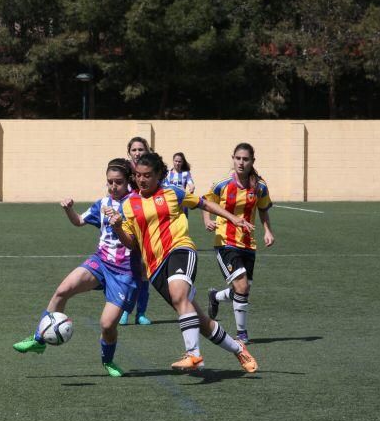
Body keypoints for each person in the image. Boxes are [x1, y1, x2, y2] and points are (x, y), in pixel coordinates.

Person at [107, 152, 259, 373]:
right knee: (200, 321)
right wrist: (118, 227)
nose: (142, 179)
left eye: (147, 175)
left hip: (180, 249)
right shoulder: (129, 205)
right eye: (138, 175)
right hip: (155, 267)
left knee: (179, 294)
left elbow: (204, 204)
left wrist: (232, 218)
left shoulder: (172, 193)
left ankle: (193, 355)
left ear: (159, 174)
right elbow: (131, 243)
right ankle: (238, 349)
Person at [12, 158, 141, 378]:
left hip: (125, 272)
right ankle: (39, 339)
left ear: (128, 181)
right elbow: (80, 221)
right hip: (100, 261)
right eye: (109, 182)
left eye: (118, 182)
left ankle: (108, 361)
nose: (112, 186)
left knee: (107, 325)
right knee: (62, 290)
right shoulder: (102, 203)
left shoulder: (137, 204)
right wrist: (69, 210)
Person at [203, 142, 275, 345]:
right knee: (242, 286)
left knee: (241, 290)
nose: (241, 162)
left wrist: (268, 231)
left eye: (245, 159)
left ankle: (215, 296)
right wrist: (207, 220)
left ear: (252, 161)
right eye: (238, 158)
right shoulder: (223, 184)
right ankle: (242, 334)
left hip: (247, 243)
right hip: (225, 241)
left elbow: (263, 209)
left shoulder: (259, 186)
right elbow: (205, 201)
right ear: (233, 159)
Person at [118, 136, 153, 326]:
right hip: (128, 224)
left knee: (144, 274)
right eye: (134, 150)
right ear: (129, 152)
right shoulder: (124, 171)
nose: (138, 153)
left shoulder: (152, 170)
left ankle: (140, 313)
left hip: (147, 225)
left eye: (141, 149)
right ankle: (124, 310)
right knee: (130, 273)